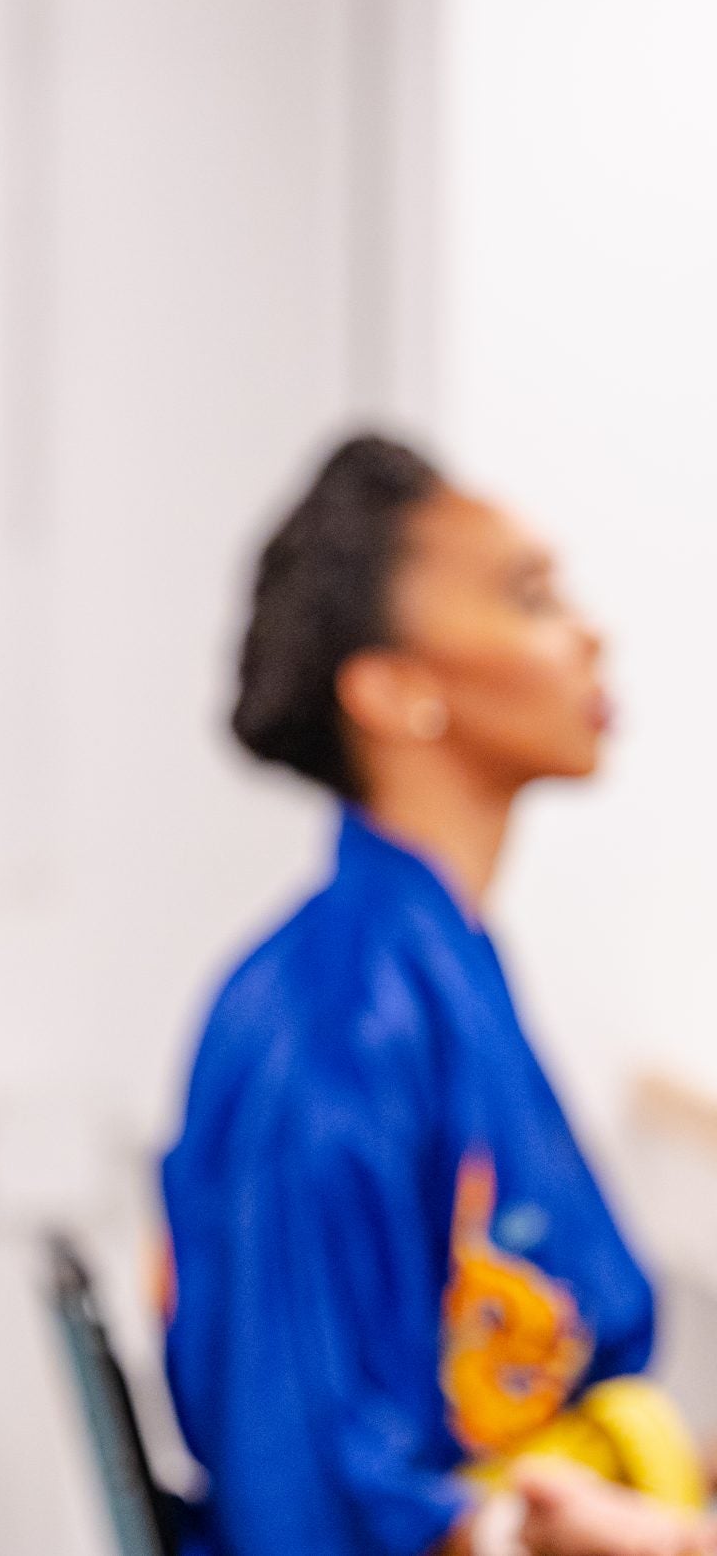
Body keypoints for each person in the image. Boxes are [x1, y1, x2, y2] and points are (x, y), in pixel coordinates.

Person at [162, 435, 706, 1556]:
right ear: (394, 690)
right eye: (530, 595)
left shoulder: (433, 963)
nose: (588, 631)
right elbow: (305, 1494)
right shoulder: (338, 1020)